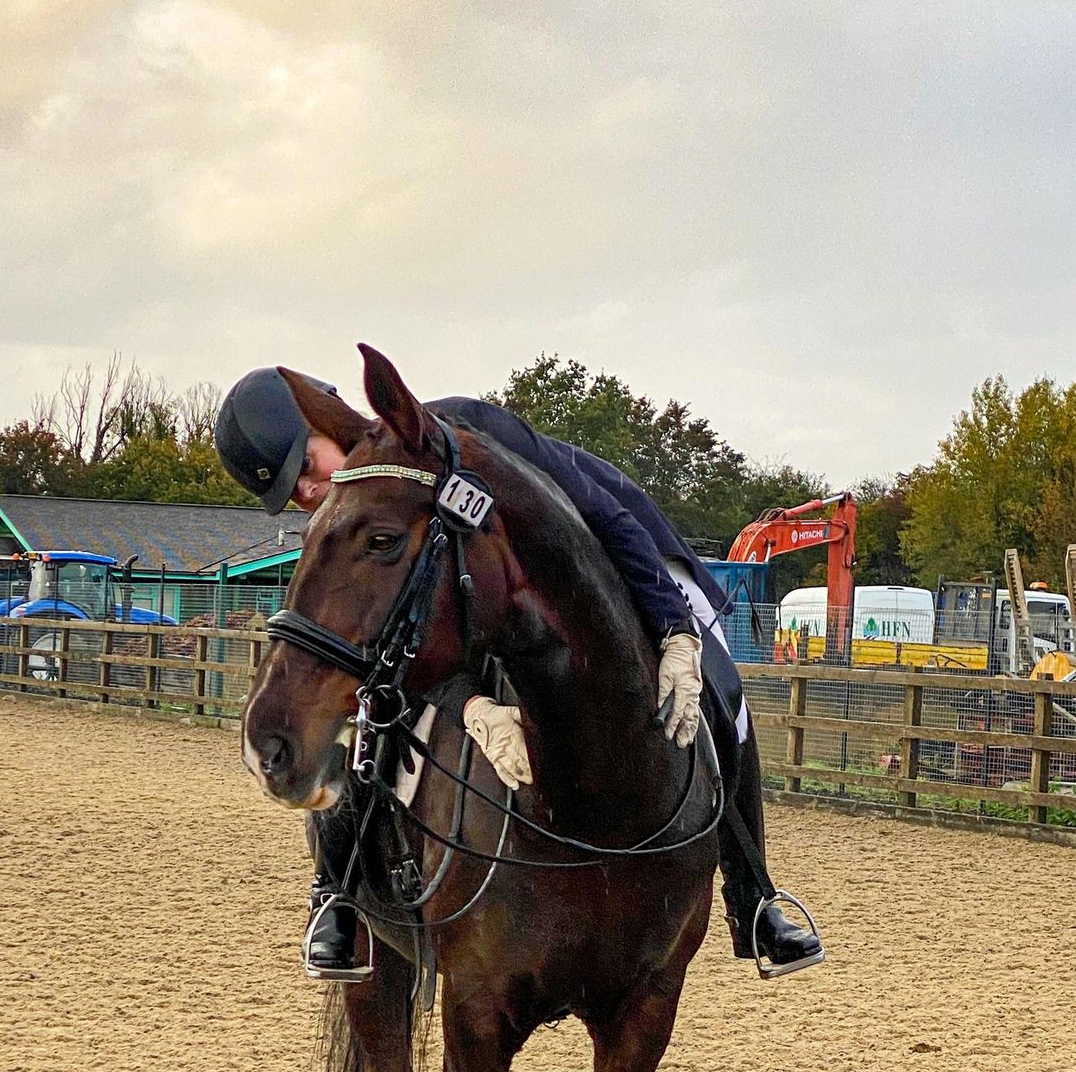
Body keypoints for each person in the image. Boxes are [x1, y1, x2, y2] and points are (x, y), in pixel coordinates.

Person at [215, 368, 824, 981]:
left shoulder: (467, 431)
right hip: (506, 610)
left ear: (326, 420)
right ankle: (336, 890)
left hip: (622, 556)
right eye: (291, 491)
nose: (307, 490)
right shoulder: (357, 518)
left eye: (306, 464)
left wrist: (676, 630)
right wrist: (471, 705)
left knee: (724, 690)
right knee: (351, 708)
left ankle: (754, 899)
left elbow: (605, 517)